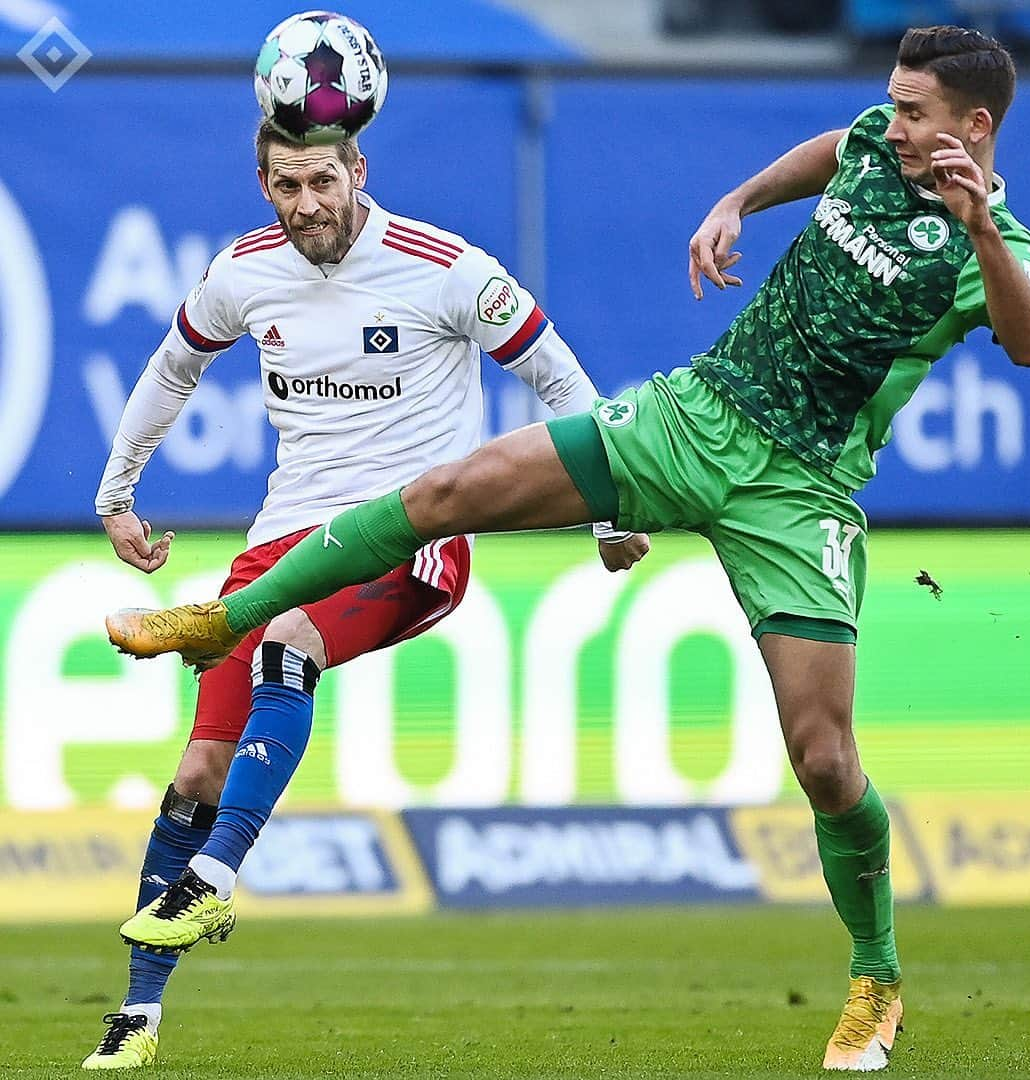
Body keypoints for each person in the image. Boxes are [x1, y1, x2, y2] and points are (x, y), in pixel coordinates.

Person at [106, 25, 1030, 1072]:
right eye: (893, 102)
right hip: (695, 415)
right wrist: (738, 202)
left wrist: (982, 231)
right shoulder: (879, 140)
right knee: (447, 489)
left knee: (826, 764)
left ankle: (875, 978)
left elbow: (1029, 339)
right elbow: (836, 144)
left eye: (919, 114)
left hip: (802, 491)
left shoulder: (993, 245)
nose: (896, 123)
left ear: (976, 128)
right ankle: (219, 617)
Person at [82, 119, 647, 1070]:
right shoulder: (246, 270)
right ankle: (136, 1023)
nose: (307, 206)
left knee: (287, 637)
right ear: (263, 182)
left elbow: (556, 374)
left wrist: (605, 507)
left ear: (359, 173)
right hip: (281, 544)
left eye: (322, 182)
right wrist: (117, 490)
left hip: (408, 537)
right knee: (196, 778)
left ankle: (216, 876)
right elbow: (173, 365)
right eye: (286, 186)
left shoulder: (448, 267)